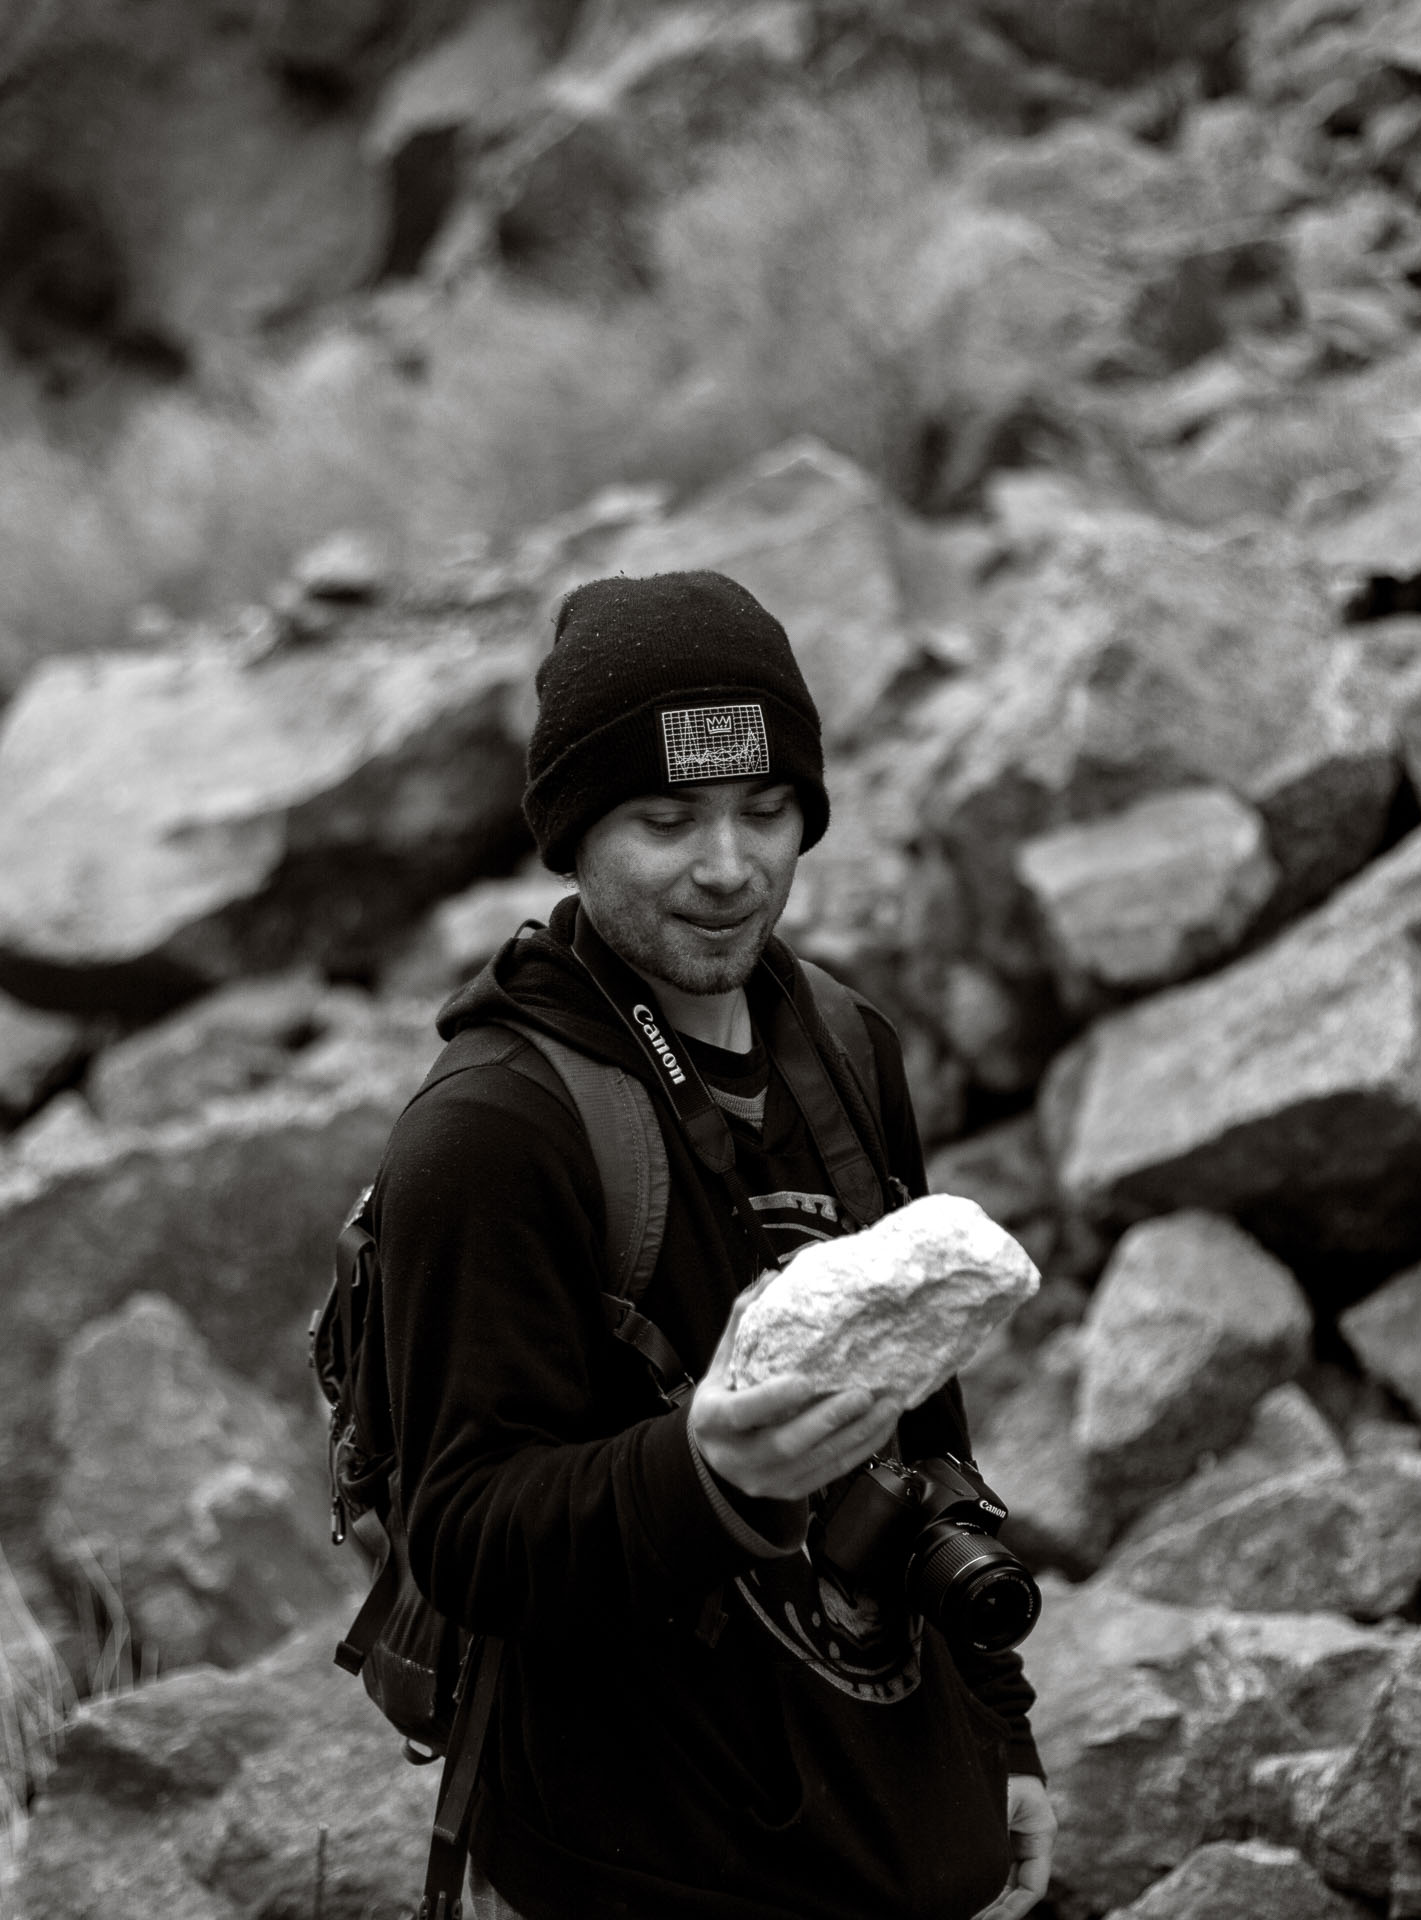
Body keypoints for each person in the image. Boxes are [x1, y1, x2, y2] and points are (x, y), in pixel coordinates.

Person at [372, 570, 1055, 1920]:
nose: (730, 867)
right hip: (627, 1865)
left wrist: (999, 1731)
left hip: (878, 1822)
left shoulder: (847, 1050)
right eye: (665, 819)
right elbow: (460, 1533)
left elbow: (927, 1426)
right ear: (572, 834)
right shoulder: (492, 1131)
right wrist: (702, 1480)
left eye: (765, 809)